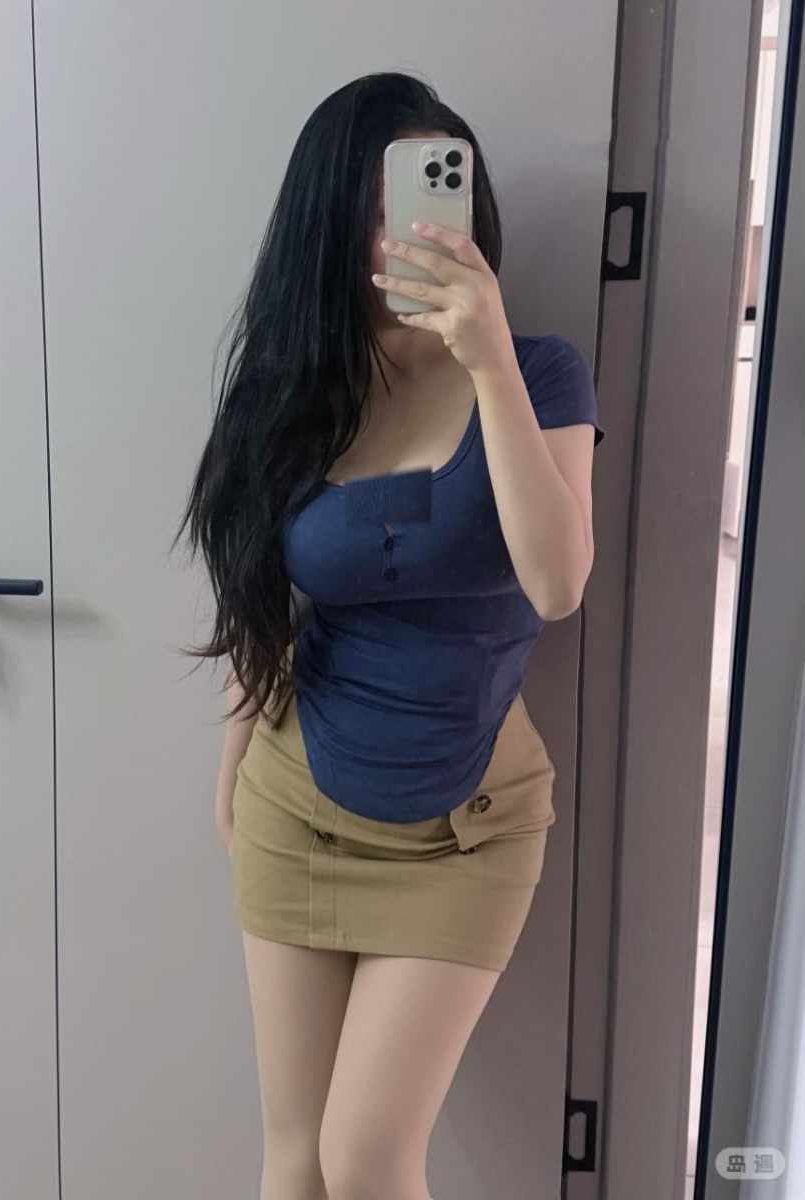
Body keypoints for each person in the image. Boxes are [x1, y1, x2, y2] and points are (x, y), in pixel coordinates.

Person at [173, 70, 604, 1200]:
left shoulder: (540, 371)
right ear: (325, 223)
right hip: (295, 801)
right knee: (293, 1155)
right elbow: (259, 601)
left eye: (423, 195)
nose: (401, 232)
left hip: (466, 830)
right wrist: (230, 771)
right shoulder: (290, 391)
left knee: (363, 1158)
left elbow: (558, 581)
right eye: (372, 208)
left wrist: (488, 356)